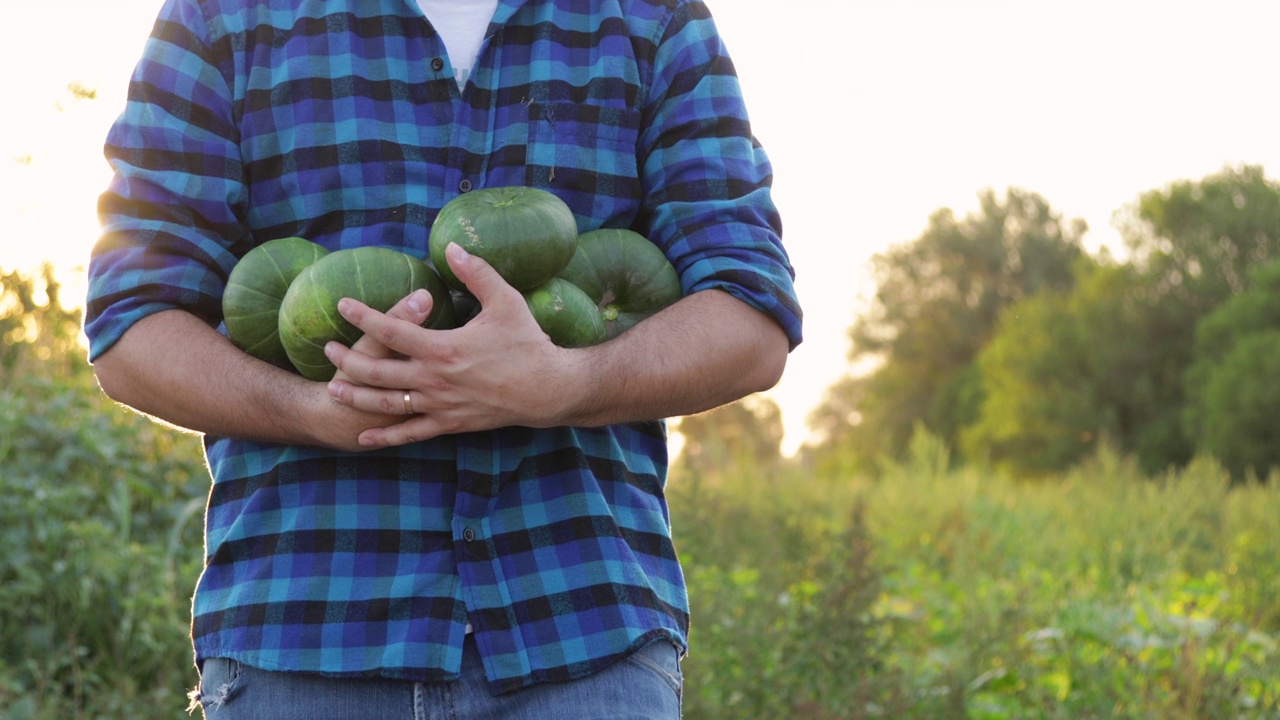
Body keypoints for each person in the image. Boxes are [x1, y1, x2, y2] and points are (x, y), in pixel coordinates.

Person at [86, 0, 802, 717]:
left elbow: (751, 311)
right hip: (303, 632)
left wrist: (565, 384)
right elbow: (133, 324)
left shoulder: (648, 18)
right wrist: (313, 410)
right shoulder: (224, 16)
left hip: (583, 636)